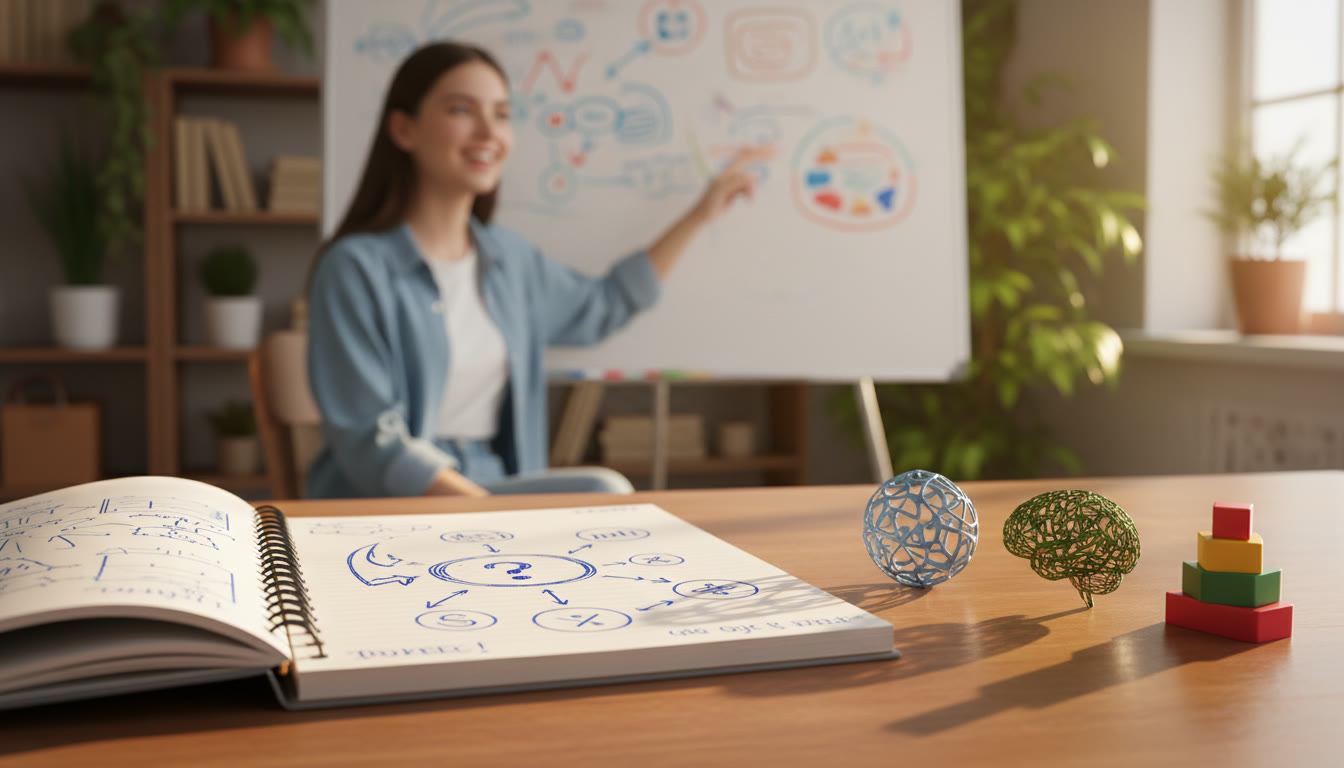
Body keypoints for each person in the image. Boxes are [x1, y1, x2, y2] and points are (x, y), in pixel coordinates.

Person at [304, 41, 770, 499]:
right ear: (404, 130)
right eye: (462, 110)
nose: (489, 132)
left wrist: (699, 215)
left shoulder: (511, 260)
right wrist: (488, 517)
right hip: (390, 500)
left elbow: (603, 305)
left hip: (494, 482)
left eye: (502, 115)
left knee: (605, 491)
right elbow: (371, 442)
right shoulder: (354, 269)